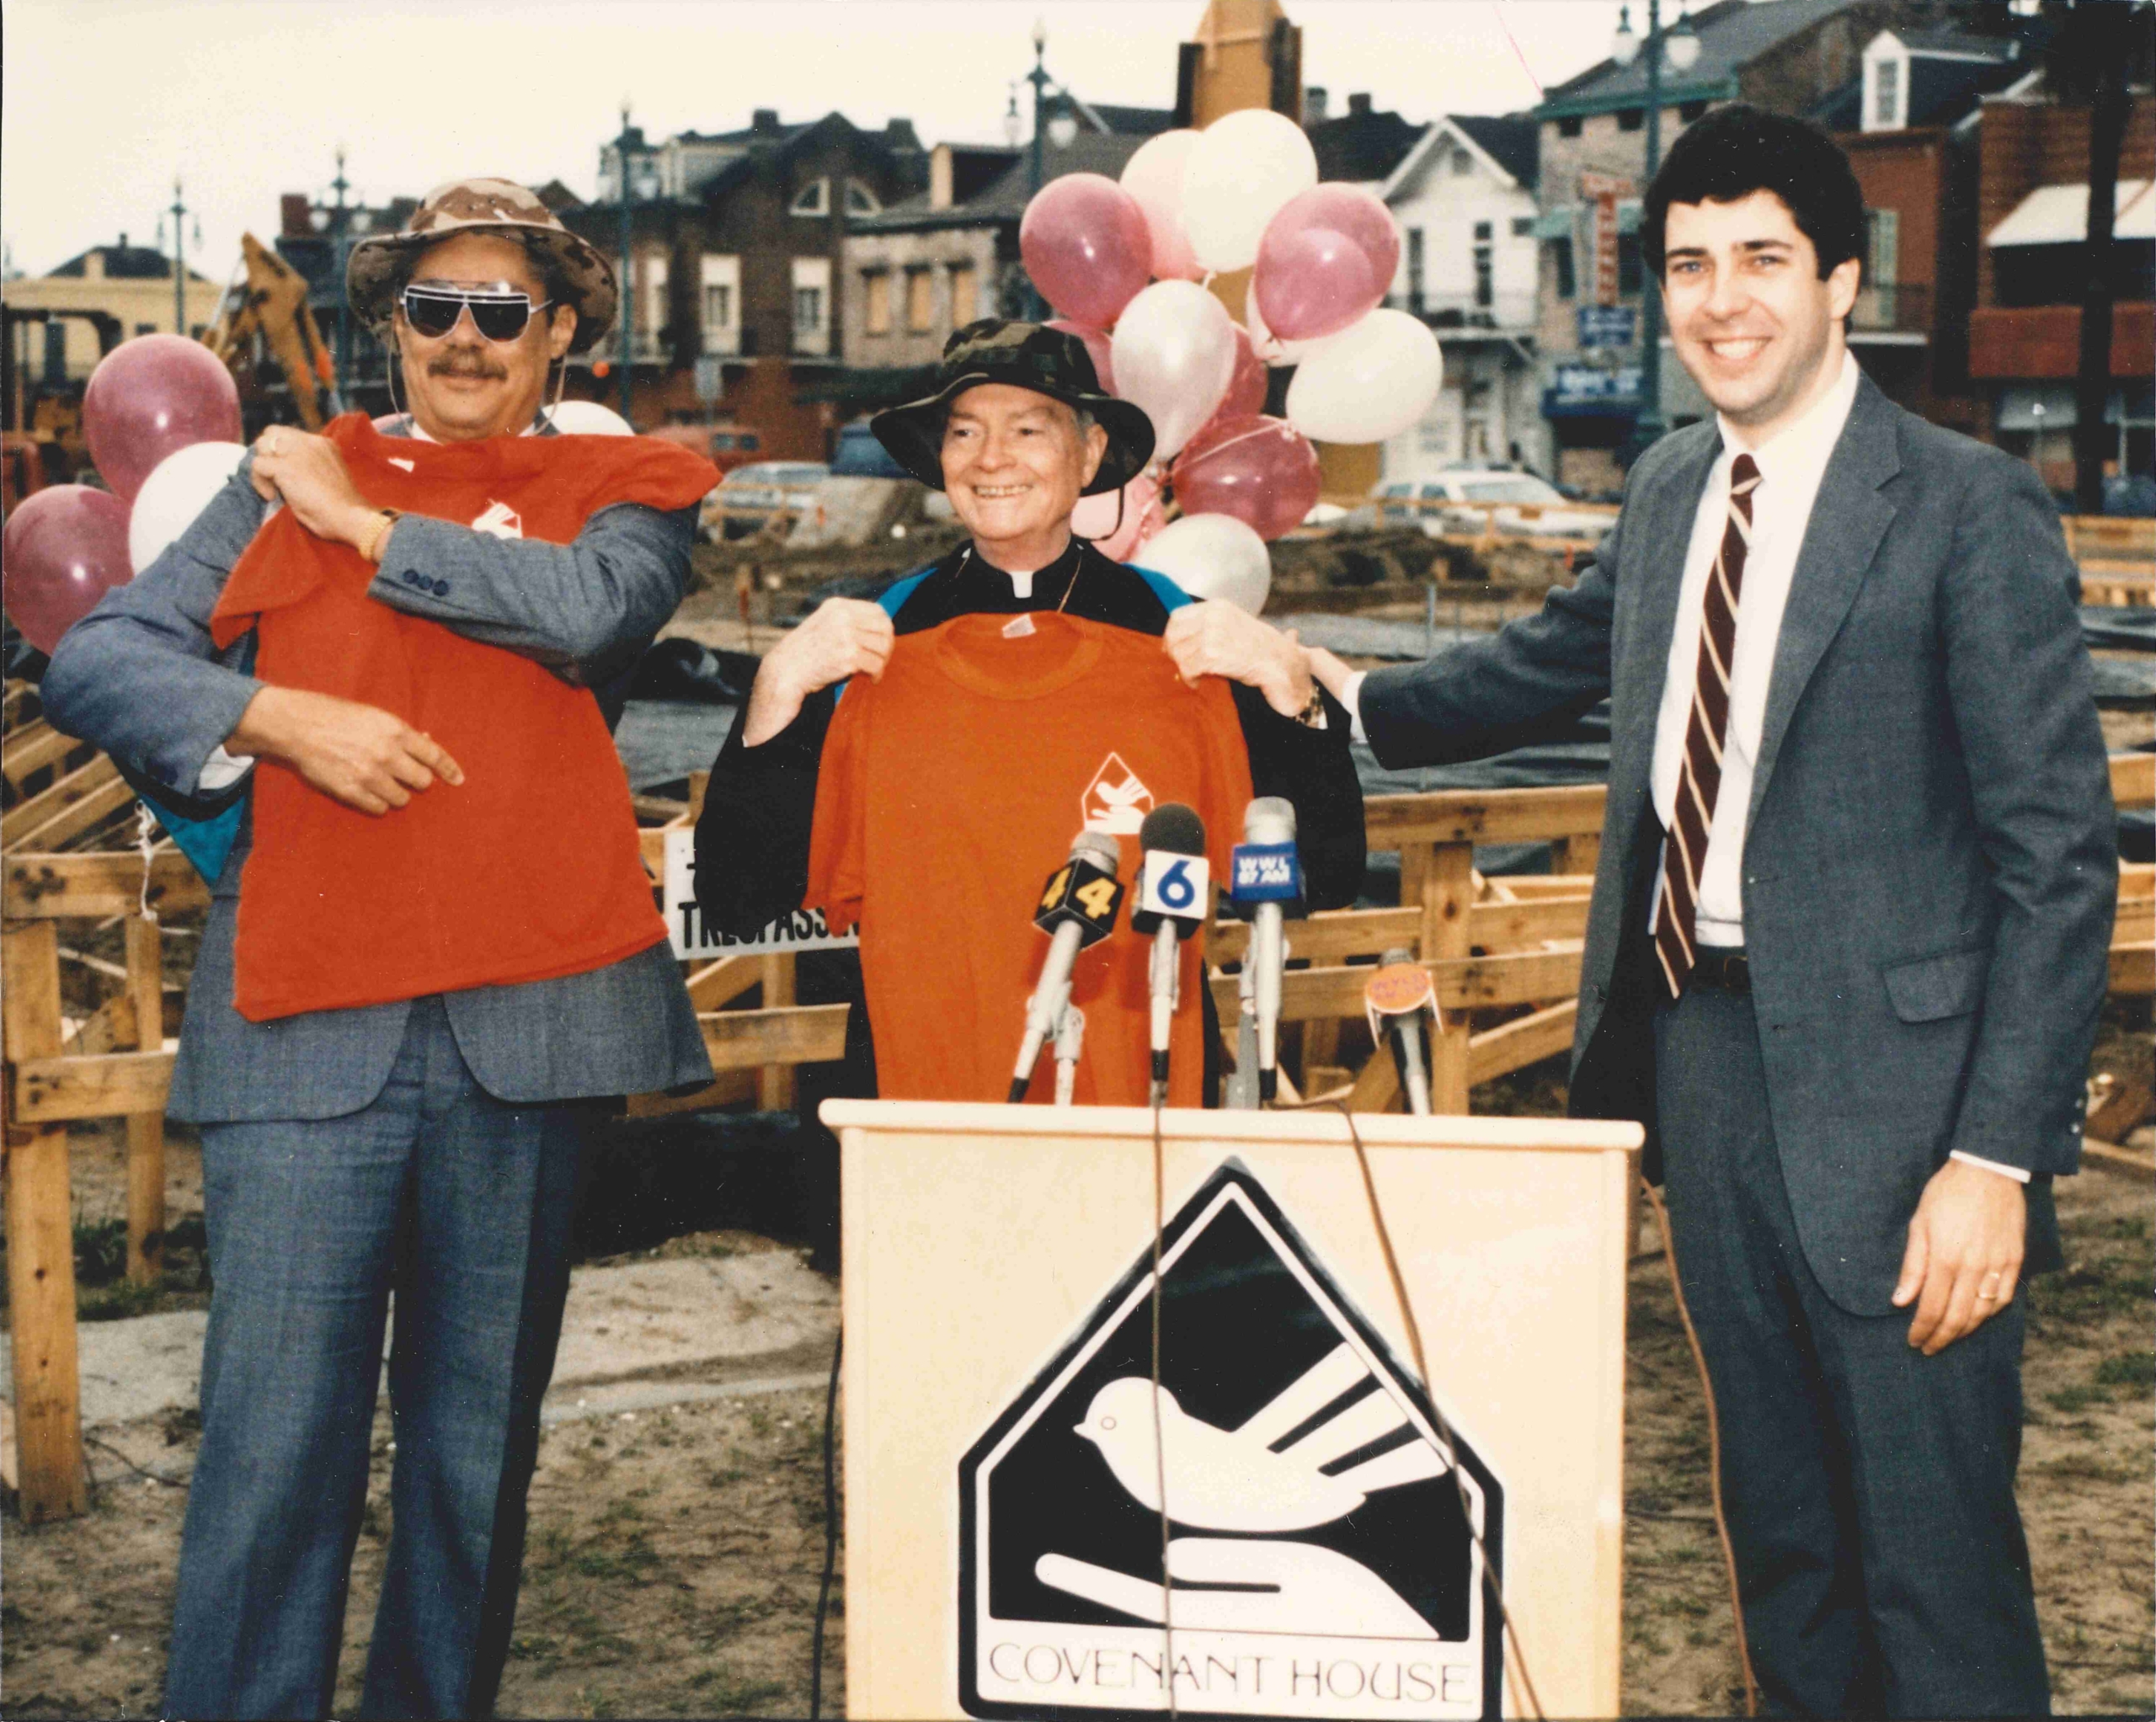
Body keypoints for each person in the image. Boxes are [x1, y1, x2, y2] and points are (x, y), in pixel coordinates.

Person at [1303, 107, 2114, 1716]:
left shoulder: (1965, 505)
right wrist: (1336, 696)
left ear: (1840, 277)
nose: (1721, 299)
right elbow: (1541, 667)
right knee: (1788, 1550)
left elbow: (2055, 857)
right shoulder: (1674, 486)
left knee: (1932, 1564)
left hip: (1909, 1112)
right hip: (1702, 1065)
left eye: (1760, 260)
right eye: (1688, 266)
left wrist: (1996, 1159)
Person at [43, 178, 719, 1719]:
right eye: (435, 308)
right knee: (272, 1446)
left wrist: (370, 528)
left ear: (559, 334)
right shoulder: (281, 484)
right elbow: (100, 657)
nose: (466, 339)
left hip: (535, 1026)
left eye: (502, 311)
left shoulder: (630, 489)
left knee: (474, 1458)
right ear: (391, 328)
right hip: (302, 1032)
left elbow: (592, 618)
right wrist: (274, 717)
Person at [696, 320, 1364, 1100]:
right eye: (965, 432)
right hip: (923, 1086)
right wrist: (772, 697)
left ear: (1086, 456)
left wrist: (1295, 699)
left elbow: (1326, 873)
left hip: (1131, 1089)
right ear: (939, 459)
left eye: (1026, 429)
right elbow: (740, 895)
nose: (990, 458)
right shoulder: (876, 644)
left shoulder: (1175, 634)